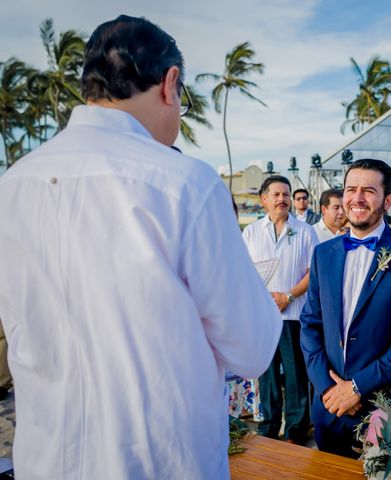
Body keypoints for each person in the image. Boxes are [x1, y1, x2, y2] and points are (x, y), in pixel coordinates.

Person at [0, 15, 282, 479]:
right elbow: (251, 349)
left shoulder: (13, 185)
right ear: (171, 84)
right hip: (158, 463)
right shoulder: (186, 184)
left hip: (46, 460)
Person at [300, 159, 391, 458]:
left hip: (386, 408)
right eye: (351, 189)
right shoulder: (323, 253)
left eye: (368, 191)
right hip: (329, 407)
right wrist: (327, 388)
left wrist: (357, 388)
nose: (357, 198)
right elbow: (310, 324)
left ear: (387, 200)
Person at [242, 175, 318, 445]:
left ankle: (296, 432)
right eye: (276, 194)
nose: (282, 199)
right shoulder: (250, 232)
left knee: (296, 374)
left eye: (286, 194)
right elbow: (243, 272)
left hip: (293, 314)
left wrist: (288, 295)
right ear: (264, 200)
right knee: (268, 375)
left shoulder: (306, 231)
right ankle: (268, 430)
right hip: (263, 316)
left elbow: (313, 273)